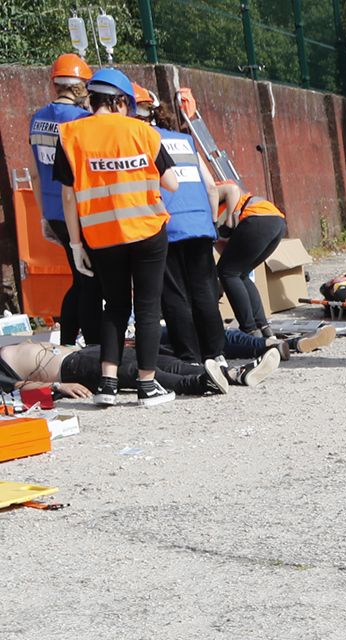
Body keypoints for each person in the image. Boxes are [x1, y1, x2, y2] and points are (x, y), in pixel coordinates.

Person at [55, 67, 180, 408]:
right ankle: (147, 384)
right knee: (148, 307)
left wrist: (75, 243)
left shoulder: (70, 134)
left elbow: (68, 197)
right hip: (147, 232)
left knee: (115, 307)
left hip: (102, 235)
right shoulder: (143, 132)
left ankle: (107, 384)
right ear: (122, 102)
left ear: (92, 99)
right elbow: (172, 184)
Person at [140, 92, 230, 374]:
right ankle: (217, 354)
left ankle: (189, 357)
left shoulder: (141, 140)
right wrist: (210, 221)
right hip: (200, 224)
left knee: (175, 294)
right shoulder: (187, 141)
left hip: (166, 225)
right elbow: (212, 187)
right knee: (205, 291)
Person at [28, 53, 101, 347]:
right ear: (82, 86)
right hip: (79, 212)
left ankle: (68, 341)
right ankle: (94, 347)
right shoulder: (82, 121)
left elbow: (34, 174)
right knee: (91, 282)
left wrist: (43, 215)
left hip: (54, 212)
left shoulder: (37, 119)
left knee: (79, 278)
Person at [0, 336, 274, 398]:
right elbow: (14, 387)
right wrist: (59, 386)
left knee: (156, 362)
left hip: (82, 353)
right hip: (70, 369)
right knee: (133, 375)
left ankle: (235, 374)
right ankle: (202, 383)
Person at [215, 187, 288, 342]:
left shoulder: (209, 189)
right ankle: (263, 328)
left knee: (229, 273)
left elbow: (232, 189)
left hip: (257, 219)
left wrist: (228, 221)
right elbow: (227, 253)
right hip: (275, 222)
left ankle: (249, 330)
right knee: (238, 273)